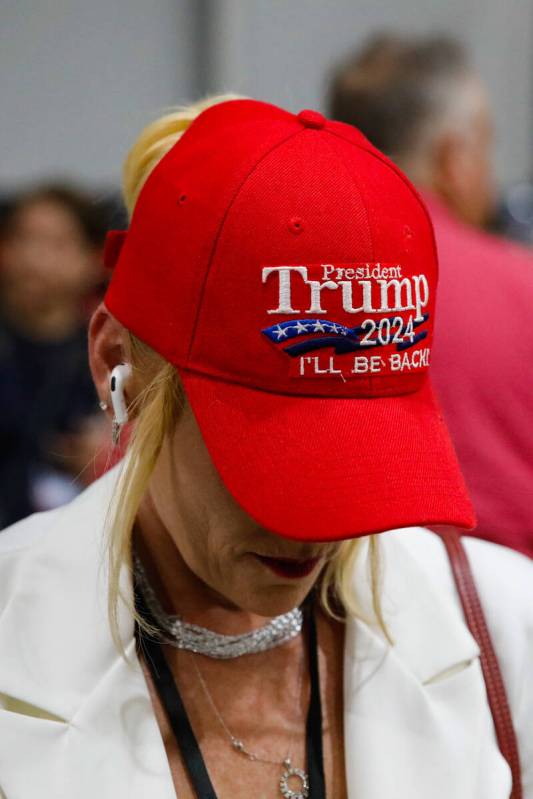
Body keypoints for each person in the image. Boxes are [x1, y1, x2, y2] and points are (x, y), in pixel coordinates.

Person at [0, 96, 531, 799]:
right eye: (271, 457)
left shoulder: (506, 623)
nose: (316, 523)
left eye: (357, 455)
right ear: (115, 361)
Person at [328, 34, 533, 558]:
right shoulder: (520, 288)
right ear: (454, 156)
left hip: (318, 611)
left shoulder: (278, 278)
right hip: (500, 620)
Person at [0, 183, 110, 527]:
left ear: (93, 260)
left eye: (57, 244)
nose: (35, 258)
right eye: (23, 239)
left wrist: (111, 457)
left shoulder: (112, 354)